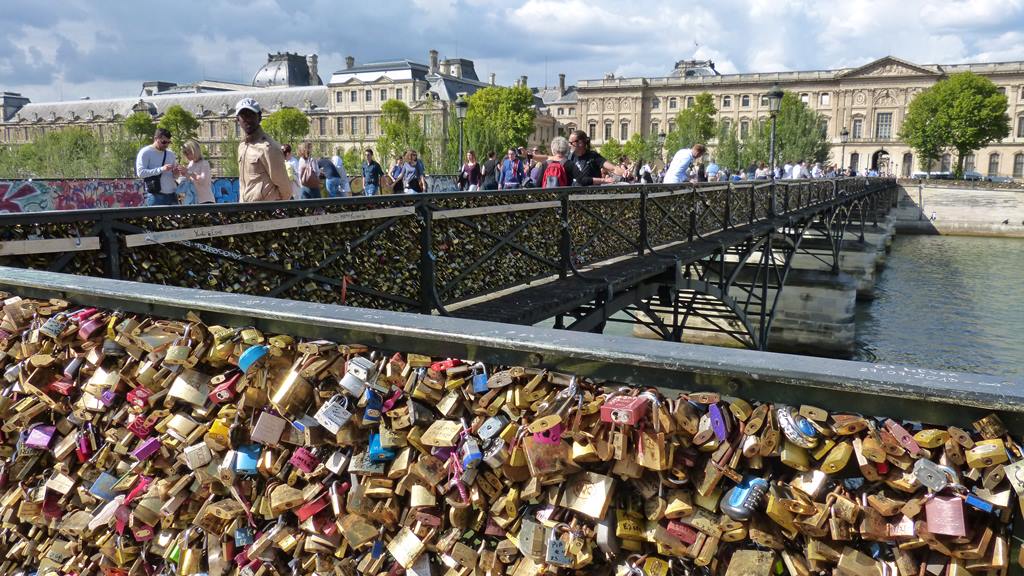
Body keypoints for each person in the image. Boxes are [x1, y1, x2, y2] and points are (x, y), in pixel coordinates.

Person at [235, 98, 292, 202]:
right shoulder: (242, 146)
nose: (247, 119)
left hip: (265, 210)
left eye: (251, 114)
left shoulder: (268, 147)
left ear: (260, 117)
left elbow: (284, 187)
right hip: (246, 209)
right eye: (243, 115)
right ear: (238, 119)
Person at [564, 130, 629, 186]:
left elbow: (613, 168)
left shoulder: (593, 156)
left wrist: (624, 172)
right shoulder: (569, 157)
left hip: (591, 195)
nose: (569, 145)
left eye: (571, 143)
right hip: (573, 196)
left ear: (580, 143)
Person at [136, 127, 180, 206]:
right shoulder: (145, 152)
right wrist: (161, 169)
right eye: (163, 142)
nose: (166, 145)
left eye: (168, 142)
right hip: (155, 195)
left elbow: (175, 176)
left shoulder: (170, 154)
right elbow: (140, 173)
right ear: (156, 139)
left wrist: (176, 173)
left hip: (172, 194)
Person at [181, 139, 214, 204]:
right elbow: (190, 179)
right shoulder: (191, 163)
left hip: (205, 200)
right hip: (193, 200)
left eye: (188, 153)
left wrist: (189, 172)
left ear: (194, 151)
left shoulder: (204, 163)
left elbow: (202, 180)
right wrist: (183, 173)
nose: (186, 156)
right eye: (185, 153)